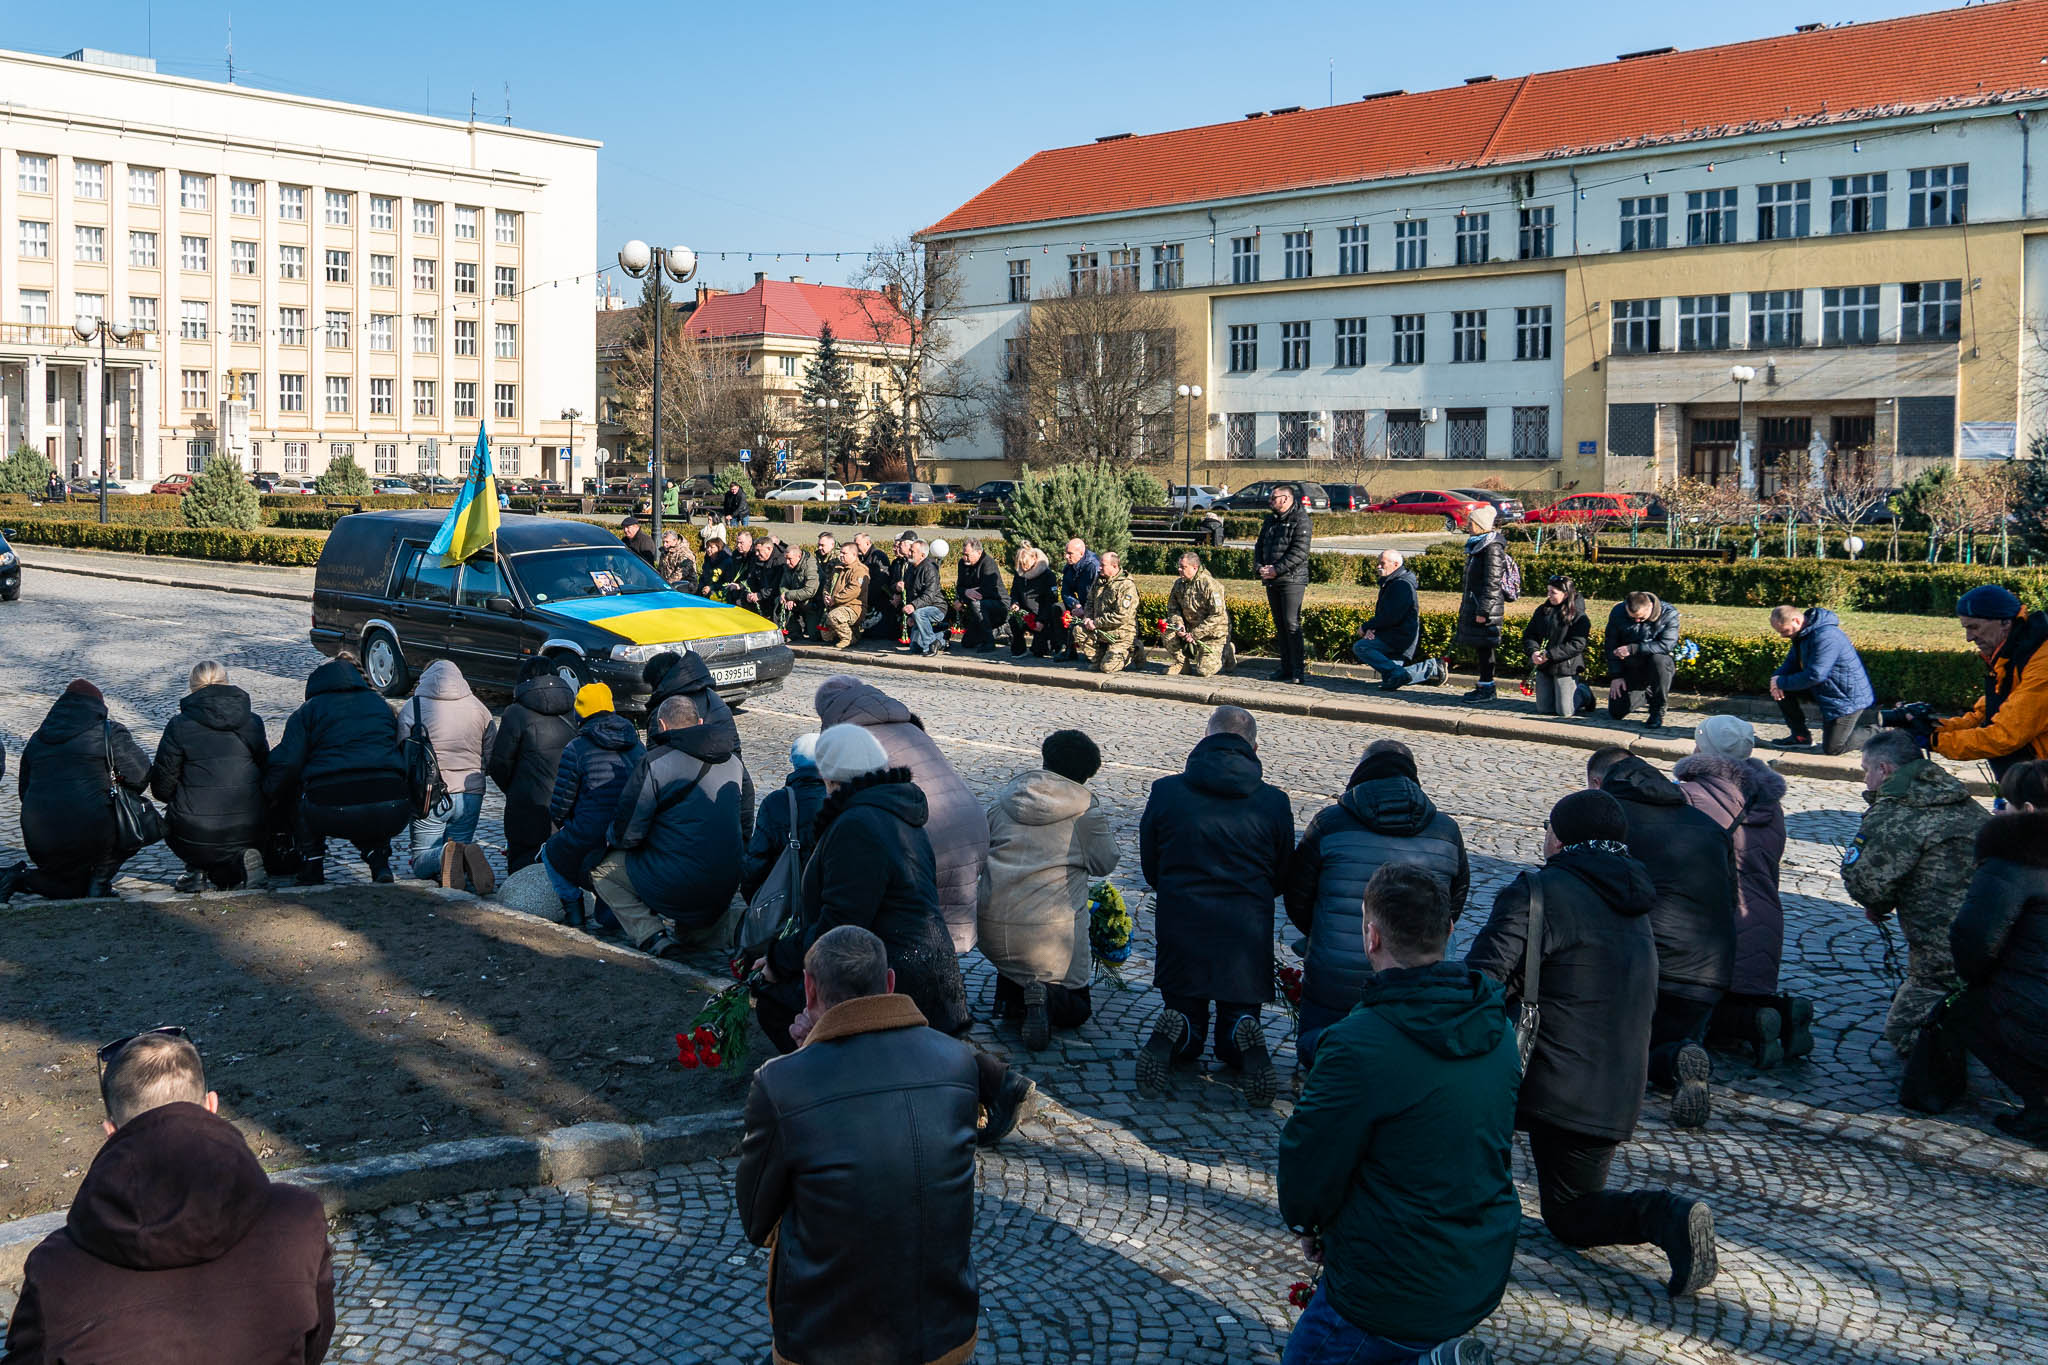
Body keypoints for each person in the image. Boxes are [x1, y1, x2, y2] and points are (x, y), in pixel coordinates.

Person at [1466, 790, 1719, 1299]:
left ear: (1559, 837)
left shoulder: (1537, 891)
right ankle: (1667, 1215)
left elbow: (1482, 981)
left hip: (1539, 1076)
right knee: (1575, 1212)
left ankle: (1445, 1224)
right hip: (1615, 1084)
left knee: (1460, 1127)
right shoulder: (1636, 899)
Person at [1278, 865, 1517, 1365]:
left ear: (1371, 936)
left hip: (1390, 1285)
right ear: (1450, 931)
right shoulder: (1495, 1026)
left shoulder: (1358, 1043)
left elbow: (1311, 1156)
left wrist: (1309, 1223)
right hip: (1479, 1261)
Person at [2, 1030, 334, 1364]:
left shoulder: (55, 1268)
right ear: (212, 1106)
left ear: (111, 1132)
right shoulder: (298, 1219)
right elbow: (313, 1343)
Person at [736, 926, 981, 1365]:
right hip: (945, 1329)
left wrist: (804, 1059)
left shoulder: (781, 1083)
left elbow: (757, 1221)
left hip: (828, 1341)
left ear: (808, 990)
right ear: (888, 983)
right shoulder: (959, 1062)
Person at [1137, 706, 1294, 1106]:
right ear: (1255, 748)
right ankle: (1242, 1030)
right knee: (1235, 1024)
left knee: (1186, 1014)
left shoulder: (1166, 790)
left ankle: (1180, 1031)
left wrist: (1172, 888)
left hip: (1182, 917)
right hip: (1246, 924)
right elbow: (1283, 870)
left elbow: (1150, 861)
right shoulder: (1274, 802)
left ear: (1204, 739)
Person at [1285, 740, 1469, 1069]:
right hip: (1414, 972)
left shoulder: (1329, 823)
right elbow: (1452, 904)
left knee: (1320, 1046)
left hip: (1335, 970)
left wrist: (1324, 934)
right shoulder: (1447, 831)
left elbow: (1297, 895)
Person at [1587, 748, 1737, 1129]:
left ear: (1598, 784)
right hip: (1710, 972)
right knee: (1660, 1037)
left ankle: (1668, 1058)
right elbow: (1731, 900)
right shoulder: (1706, 824)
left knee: (1615, 1047)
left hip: (1645, 967)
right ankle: (1681, 1055)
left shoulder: (1610, 819)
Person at [814, 674, 989, 952]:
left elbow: (839, 801)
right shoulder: (906, 723)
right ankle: (943, 973)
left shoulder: (848, 738)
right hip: (971, 823)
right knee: (944, 922)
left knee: (906, 928)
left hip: (929, 826)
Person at [1841, 727, 1986, 1055]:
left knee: (1905, 1033)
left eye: (1866, 771)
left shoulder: (1897, 810)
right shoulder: (1957, 795)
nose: (1865, 781)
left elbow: (1865, 880)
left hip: (1940, 949)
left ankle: (1975, 1036)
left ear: (1885, 770)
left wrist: (1878, 904)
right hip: (1991, 931)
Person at [1673, 715, 1803, 1068]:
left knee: (1703, 1011)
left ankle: (1750, 1024)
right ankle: (1777, 1014)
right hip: (1764, 916)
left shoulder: (1692, 796)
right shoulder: (1769, 803)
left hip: (1718, 922)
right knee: (1742, 993)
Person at [978, 729, 1120, 1048]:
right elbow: (1105, 863)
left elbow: (981, 847)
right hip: (1049, 938)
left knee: (1020, 969)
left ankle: (1019, 1001)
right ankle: (1046, 998)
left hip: (993, 930)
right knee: (1079, 1009)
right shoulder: (1083, 813)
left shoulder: (1005, 801)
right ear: (1084, 776)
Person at [595, 691, 751, 960]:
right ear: (700, 722)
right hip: (727, 877)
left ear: (663, 726)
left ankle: (651, 935)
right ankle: (738, 926)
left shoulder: (655, 763)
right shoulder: (734, 762)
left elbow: (629, 834)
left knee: (601, 871)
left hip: (679, 879)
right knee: (690, 934)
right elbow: (745, 821)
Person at [1948, 760, 2048, 1147]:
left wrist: (1978, 979)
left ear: (2024, 810)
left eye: (2001, 802)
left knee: (1962, 1010)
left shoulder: (2013, 860)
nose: (1998, 811)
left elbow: (1973, 941)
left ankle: (2041, 1106)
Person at [265, 654, 411, 886]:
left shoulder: (308, 711)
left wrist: (266, 796)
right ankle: (379, 862)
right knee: (370, 787)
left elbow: (288, 763)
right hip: (394, 805)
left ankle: (312, 864)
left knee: (305, 793)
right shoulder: (381, 706)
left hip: (330, 807)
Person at [0, 680, 152, 902]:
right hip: (92, 831)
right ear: (97, 706)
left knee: (70, 888)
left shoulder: (37, 739)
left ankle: (18, 878)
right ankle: (100, 881)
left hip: (39, 834)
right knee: (141, 819)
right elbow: (140, 776)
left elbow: (25, 790)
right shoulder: (109, 732)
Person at [150, 661, 270, 894]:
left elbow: (162, 787)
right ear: (226, 681)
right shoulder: (252, 722)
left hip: (194, 829)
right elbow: (267, 768)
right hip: (250, 823)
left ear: (192, 686)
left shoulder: (178, 726)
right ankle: (239, 863)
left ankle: (196, 870)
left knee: (185, 820)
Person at [540, 683, 646, 928]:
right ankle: (610, 912)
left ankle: (574, 912)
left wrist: (565, 825)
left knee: (550, 852)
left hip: (591, 834)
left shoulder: (576, 748)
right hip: (630, 832)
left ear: (580, 714)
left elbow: (561, 804)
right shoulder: (636, 744)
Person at [1931, 585, 2048, 779]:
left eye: (1974, 627)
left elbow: (2005, 734)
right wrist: (1936, 726)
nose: (1969, 638)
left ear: (2005, 622)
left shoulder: (2041, 662)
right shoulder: (2014, 654)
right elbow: (1986, 714)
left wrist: (1934, 741)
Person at [398, 660, 494, 890]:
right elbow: (491, 752)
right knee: (459, 847)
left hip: (428, 793)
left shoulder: (414, 706)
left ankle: (443, 855)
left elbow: (401, 749)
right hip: (471, 793)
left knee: (421, 861)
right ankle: (460, 864)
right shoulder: (479, 708)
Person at [483, 659, 578, 873]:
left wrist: (515, 788)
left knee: (523, 862)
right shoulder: (573, 711)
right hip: (567, 801)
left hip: (526, 804)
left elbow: (499, 764)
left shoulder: (516, 712)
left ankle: (521, 901)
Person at [1768, 605, 1876, 754]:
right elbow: (1791, 663)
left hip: (1845, 698)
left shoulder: (1826, 636)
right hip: (1825, 690)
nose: (1782, 636)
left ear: (1796, 621)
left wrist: (1780, 682)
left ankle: (1879, 732)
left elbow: (1816, 675)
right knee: (1781, 690)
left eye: (1784, 631)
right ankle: (1801, 737)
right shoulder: (1803, 634)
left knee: (1833, 748)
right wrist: (1776, 679)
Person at [741, 733, 827, 902]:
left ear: (793, 763)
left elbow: (757, 861)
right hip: (828, 899)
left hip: (785, 899)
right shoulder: (842, 799)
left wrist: (754, 899)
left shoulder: (775, 802)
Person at [1351, 549, 1442, 690]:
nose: (1378, 567)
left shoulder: (1400, 585)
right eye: (1378, 563)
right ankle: (1432, 668)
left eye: (1382, 563)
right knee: (1391, 678)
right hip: (1397, 635)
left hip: (1399, 637)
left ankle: (1429, 667)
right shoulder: (1391, 582)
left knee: (1361, 647)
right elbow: (1387, 615)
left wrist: (1366, 627)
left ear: (1395, 564)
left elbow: (1391, 616)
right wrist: (1373, 629)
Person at [1255, 484, 1313, 684]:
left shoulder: (1301, 519)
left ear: (1286, 499)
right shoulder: (1270, 520)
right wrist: (1259, 567)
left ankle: (1298, 670)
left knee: (1291, 623)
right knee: (1280, 625)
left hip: (1292, 579)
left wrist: (1276, 569)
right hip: (1272, 580)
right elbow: (1260, 545)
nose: (1270, 502)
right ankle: (1285, 667)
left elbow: (1299, 552)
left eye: (1273, 498)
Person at [1603, 591, 1681, 729]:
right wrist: (1617, 675)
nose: (1637, 621)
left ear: (1650, 606)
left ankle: (1657, 710)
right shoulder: (1618, 612)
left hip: (1657, 666)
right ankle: (1646, 694)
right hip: (1632, 668)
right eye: (1632, 618)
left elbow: (1666, 645)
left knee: (1659, 660)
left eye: (1641, 618)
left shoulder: (1669, 614)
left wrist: (1633, 648)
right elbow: (1610, 644)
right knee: (1616, 712)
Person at [1454, 503, 1507, 701]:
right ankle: (1483, 685)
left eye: (1471, 522)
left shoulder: (1492, 547)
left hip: (1485, 608)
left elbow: (1492, 582)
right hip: (1477, 604)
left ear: (1482, 525)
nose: (1468, 525)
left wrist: (1483, 611)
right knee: (1481, 647)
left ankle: (1487, 688)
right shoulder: (1478, 543)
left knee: (1485, 648)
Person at [1523, 575, 1592, 719]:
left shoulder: (1579, 616)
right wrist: (1533, 652)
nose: (1548, 595)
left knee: (1565, 711)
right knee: (1544, 709)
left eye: (1553, 592)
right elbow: (1530, 634)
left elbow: (1577, 644)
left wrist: (1551, 654)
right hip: (1544, 665)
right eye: (1548, 591)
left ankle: (1584, 693)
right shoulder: (1542, 610)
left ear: (1565, 594)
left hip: (1565, 666)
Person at [1161, 550, 1232, 678]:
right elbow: (1173, 609)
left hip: (1213, 634)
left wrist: (1195, 634)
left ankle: (1226, 651)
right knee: (1167, 627)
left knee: (1203, 671)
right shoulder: (1179, 584)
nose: (1179, 570)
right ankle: (1182, 663)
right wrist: (1179, 623)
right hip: (1189, 630)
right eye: (1179, 567)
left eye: (1183, 567)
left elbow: (1217, 616)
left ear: (1195, 567)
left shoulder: (1209, 585)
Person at [1073, 549, 1140, 674]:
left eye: (1103, 565)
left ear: (1114, 566)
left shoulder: (1126, 586)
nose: (1099, 568)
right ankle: (1098, 659)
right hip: (1101, 632)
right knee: (1078, 630)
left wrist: (1096, 623)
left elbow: (1121, 616)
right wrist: (1087, 617)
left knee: (1107, 668)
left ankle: (1133, 650)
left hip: (1120, 634)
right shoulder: (1099, 581)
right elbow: (1090, 602)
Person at [1007, 544, 1063, 659]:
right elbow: (1014, 592)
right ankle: (1019, 648)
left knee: (1039, 651)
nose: (1024, 568)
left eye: (1026, 564)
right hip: (1025, 613)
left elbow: (1050, 601)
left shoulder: (1048, 576)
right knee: (1013, 619)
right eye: (1021, 565)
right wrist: (1015, 602)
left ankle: (1050, 643)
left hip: (1041, 615)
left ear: (1034, 559)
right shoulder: (1019, 575)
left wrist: (1042, 620)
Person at [955, 537, 1007, 651]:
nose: (965, 557)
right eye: (963, 554)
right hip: (980, 606)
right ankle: (997, 630)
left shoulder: (988, 563)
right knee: (967, 643)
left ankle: (989, 642)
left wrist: (963, 599)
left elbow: (986, 591)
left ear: (979, 552)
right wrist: (965, 592)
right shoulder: (962, 563)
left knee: (976, 604)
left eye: (967, 554)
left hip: (998, 604)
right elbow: (959, 587)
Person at [898, 536, 948, 655]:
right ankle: (941, 636)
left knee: (919, 613)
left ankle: (931, 644)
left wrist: (913, 607)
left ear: (922, 555)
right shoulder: (910, 568)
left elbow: (929, 595)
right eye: (910, 550)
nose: (909, 553)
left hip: (936, 607)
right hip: (919, 609)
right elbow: (910, 593)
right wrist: (910, 615)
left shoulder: (929, 569)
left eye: (912, 551)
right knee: (915, 648)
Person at [819, 541, 869, 649]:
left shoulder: (860, 570)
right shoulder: (838, 568)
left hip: (853, 607)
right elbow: (828, 585)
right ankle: (854, 633)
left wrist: (835, 599)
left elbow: (854, 590)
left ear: (854, 555)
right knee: (825, 636)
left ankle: (848, 638)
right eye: (840, 553)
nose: (840, 555)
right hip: (836, 605)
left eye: (844, 553)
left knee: (834, 616)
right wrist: (826, 596)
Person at [1057, 538, 1100, 661]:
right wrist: (1076, 605)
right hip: (1079, 605)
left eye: (1070, 553)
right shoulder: (1070, 566)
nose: (1066, 556)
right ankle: (1068, 650)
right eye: (1066, 553)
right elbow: (1065, 591)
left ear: (1081, 553)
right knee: (1058, 609)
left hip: (1093, 607)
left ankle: (1094, 650)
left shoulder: (1093, 566)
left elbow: (1098, 595)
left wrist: (1085, 609)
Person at [774, 538, 819, 633]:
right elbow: (783, 584)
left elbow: (809, 591)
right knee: (778, 601)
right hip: (795, 598)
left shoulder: (810, 566)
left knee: (814, 636)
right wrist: (787, 596)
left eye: (789, 559)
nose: (787, 562)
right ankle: (792, 632)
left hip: (812, 602)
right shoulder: (788, 566)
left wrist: (788, 595)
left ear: (799, 556)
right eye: (786, 559)